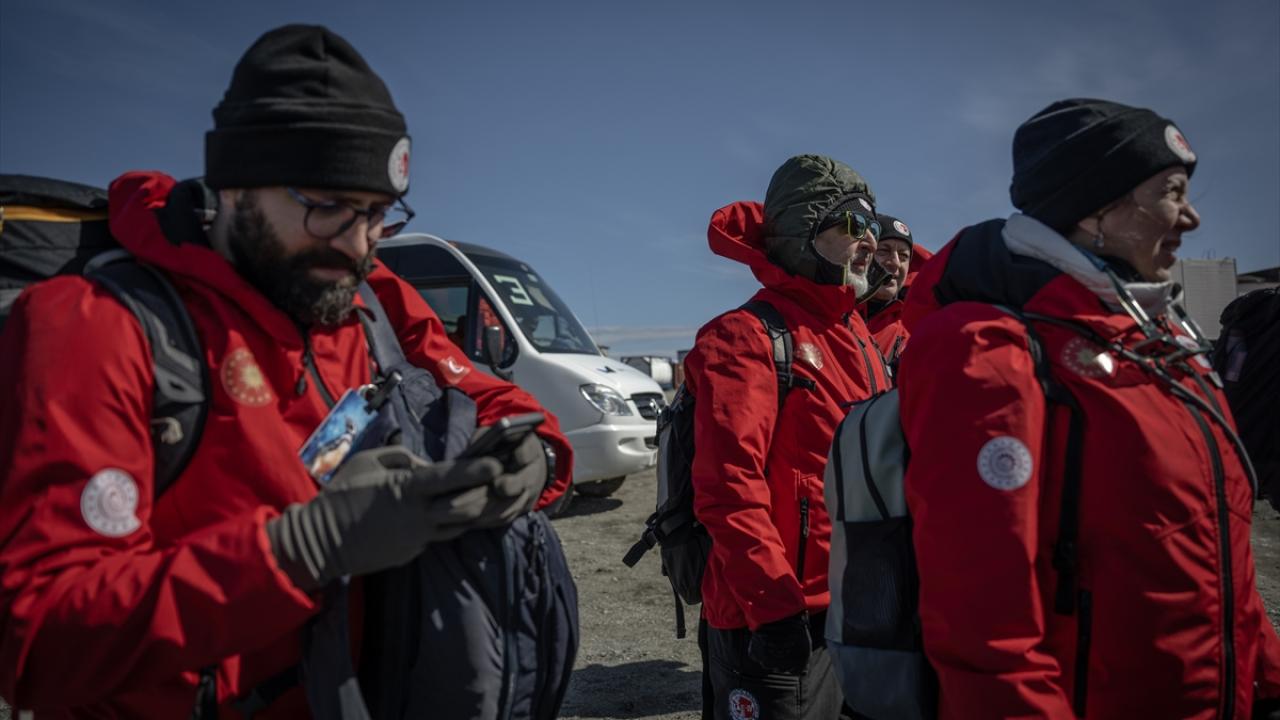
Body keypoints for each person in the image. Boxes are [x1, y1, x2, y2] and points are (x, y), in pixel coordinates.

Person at [0, 25, 573, 716]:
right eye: (326, 204)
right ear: (237, 184)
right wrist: (301, 548)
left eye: (378, 215)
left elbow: (481, 393)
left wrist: (533, 452)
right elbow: (35, 640)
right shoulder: (98, 327)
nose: (358, 242)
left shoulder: (359, 298)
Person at [897, 98, 1280, 717]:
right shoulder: (991, 348)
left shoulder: (1167, 347)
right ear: (1099, 207)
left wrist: (1265, 679)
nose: (1192, 217)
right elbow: (981, 615)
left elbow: (1221, 550)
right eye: (1172, 192)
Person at [686, 154, 892, 719]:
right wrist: (772, 607)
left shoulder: (858, 336)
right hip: (778, 615)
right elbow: (728, 487)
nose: (870, 241)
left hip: (857, 609)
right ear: (804, 231)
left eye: (875, 226)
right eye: (852, 225)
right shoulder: (745, 336)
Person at [862, 212, 920, 366]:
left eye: (903, 256)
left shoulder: (915, 331)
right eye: (883, 251)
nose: (895, 262)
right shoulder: (831, 313)